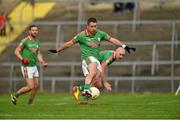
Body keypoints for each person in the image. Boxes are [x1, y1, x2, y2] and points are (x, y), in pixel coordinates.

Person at [48, 17, 135, 101]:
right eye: (92, 26)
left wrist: (124, 46)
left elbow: (112, 40)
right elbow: (69, 43)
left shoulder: (100, 34)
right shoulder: (81, 36)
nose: (94, 28)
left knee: (97, 84)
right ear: (87, 26)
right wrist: (57, 50)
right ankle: (86, 90)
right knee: (93, 71)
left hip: (95, 59)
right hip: (87, 58)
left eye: (95, 26)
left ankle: (80, 92)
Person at [11, 25, 48, 105]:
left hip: (34, 66)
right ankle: (15, 95)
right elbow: (16, 51)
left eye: (36, 30)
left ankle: (29, 104)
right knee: (30, 87)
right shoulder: (25, 41)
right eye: (33, 30)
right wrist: (22, 59)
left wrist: (42, 62)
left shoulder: (37, 42)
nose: (35, 31)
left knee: (36, 86)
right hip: (26, 67)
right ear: (29, 31)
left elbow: (38, 53)